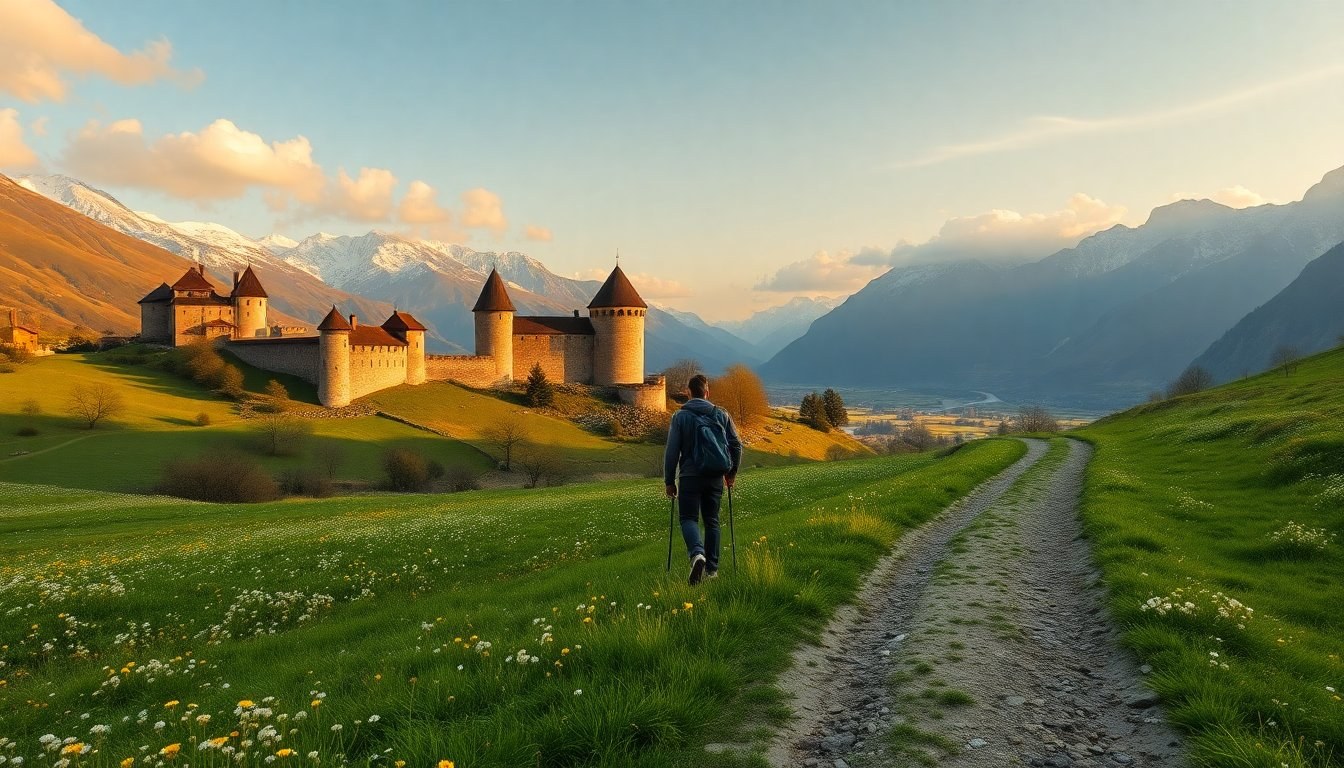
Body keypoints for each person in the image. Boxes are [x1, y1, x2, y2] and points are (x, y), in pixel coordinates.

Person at [664, 373, 743, 585]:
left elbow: (672, 451)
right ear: (707, 392)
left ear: (688, 393)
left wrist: (669, 481)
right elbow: (736, 445)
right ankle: (712, 571)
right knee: (712, 521)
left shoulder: (680, 417)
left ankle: (697, 554)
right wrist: (731, 473)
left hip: (690, 476)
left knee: (688, 518)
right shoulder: (721, 414)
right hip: (716, 476)